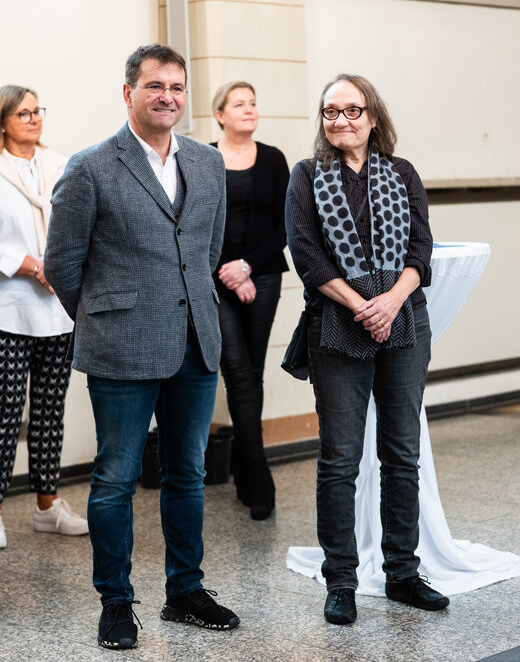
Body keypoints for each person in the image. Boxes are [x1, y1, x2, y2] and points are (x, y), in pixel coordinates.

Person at [44, 45, 239, 650]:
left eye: (177, 87)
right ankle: (116, 602)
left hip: (195, 343)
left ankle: (185, 591)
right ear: (128, 92)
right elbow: (62, 265)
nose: (167, 97)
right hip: (120, 347)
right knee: (115, 480)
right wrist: (106, 318)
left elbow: (207, 252)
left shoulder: (207, 162)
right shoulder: (90, 167)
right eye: (155, 86)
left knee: (188, 474)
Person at [285, 73, 450, 625]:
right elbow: (307, 256)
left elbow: (421, 250)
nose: (341, 120)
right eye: (330, 111)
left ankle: (402, 572)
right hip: (337, 324)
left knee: (401, 454)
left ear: (373, 117)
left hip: (405, 322)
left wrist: (391, 301)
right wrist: (363, 306)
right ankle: (341, 580)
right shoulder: (306, 175)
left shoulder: (403, 174)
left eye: (352, 110)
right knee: (340, 459)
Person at [0, 84, 88, 549]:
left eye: (37, 111)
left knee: (50, 410)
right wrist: (34, 265)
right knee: (5, 413)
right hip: (11, 309)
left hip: (58, 309)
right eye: (23, 113)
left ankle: (47, 506)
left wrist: (62, 266)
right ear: (3, 122)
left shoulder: (60, 165)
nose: (34, 119)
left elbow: (78, 222)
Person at [210, 82, 289, 520]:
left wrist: (247, 266)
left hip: (263, 275)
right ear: (220, 115)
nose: (249, 109)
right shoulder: (201, 158)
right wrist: (228, 270)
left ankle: (243, 468)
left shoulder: (274, 159)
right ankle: (259, 477)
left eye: (253, 103)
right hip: (215, 280)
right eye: (239, 104)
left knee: (253, 372)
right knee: (238, 373)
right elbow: (194, 224)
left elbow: (284, 226)